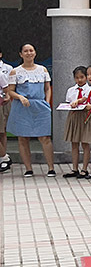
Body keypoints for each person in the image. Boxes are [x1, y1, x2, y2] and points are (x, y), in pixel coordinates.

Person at [6, 44, 55, 177]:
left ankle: (51, 168)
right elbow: (10, 91)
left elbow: (47, 88)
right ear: (21, 54)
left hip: (40, 106)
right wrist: (20, 97)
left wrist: (47, 101)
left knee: (45, 137)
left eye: (31, 50)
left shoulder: (43, 70)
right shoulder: (15, 71)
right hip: (22, 107)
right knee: (22, 138)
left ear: (35, 53)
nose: (29, 53)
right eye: (25, 51)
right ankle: (28, 169)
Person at [62, 66, 91, 179]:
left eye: (82, 77)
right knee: (74, 143)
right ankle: (74, 168)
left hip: (84, 115)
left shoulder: (89, 89)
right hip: (73, 116)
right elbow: (68, 102)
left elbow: (87, 100)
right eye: (77, 77)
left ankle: (84, 169)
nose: (79, 80)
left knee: (85, 143)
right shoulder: (71, 90)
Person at [0, 47, 12, 173]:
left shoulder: (6, 69)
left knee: (2, 131)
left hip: (2, 102)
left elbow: (7, 88)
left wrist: (7, 97)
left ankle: (3, 157)